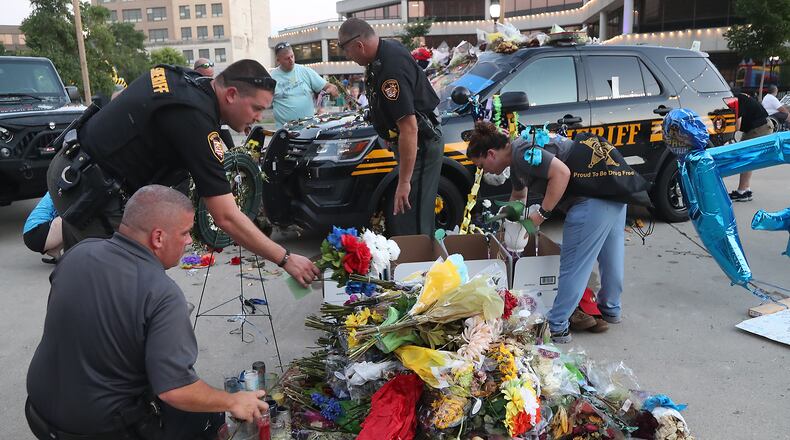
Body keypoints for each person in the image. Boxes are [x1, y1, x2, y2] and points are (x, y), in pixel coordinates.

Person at [46, 59, 319, 286]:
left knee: (81, 276)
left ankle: (71, 319)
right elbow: (225, 216)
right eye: (256, 108)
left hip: (73, 165)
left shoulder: (185, 79)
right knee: (128, 287)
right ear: (232, 94)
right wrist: (285, 258)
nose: (259, 117)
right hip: (88, 190)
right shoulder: (196, 120)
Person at [25, 185, 268, 439]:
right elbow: (175, 389)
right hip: (96, 429)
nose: (188, 240)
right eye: (185, 232)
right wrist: (232, 401)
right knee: (205, 417)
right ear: (158, 238)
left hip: (37, 408)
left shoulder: (79, 252)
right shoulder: (161, 293)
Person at [466, 121, 626, 343]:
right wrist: (511, 223)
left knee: (574, 265)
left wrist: (542, 214)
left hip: (590, 199)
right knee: (611, 256)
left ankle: (557, 326)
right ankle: (610, 309)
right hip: (614, 186)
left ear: (491, 154)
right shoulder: (518, 150)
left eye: (481, 165)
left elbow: (562, 173)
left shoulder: (521, 152)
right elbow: (519, 196)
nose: (483, 172)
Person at [338, 18, 443, 236]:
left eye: (347, 50)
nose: (348, 56)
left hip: (420, 145)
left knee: (413, 218)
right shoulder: (383, 53)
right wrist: (387, 131)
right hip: (411, 142)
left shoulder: (390, 70)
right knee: (408, 213)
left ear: (359, 45)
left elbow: (410, 128)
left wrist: (404, 181)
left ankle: (423, 266)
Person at [270, 41, 338, 128]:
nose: (291, 61)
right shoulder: (272, 78)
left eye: (292, 56)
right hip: (285, 131)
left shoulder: (305, 71)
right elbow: (262, 103)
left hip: (308, 128)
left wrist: (331, 90)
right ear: (278, 60)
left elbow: (328, 86)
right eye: (287, 58)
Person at [729, 88, 772, 202]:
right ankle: (746, 189)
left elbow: (737, 126)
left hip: (759, 127)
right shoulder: (741, 97)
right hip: (761, 126)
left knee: (744, 157)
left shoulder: (736, 100)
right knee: (747, 158)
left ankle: (742, 191)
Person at [22, 193, 63, 264]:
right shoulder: (61, 189)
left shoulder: (57, 186)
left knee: (72, 217)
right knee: (72, 218)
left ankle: (55, 251)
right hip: (35, 232)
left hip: (31, 233)